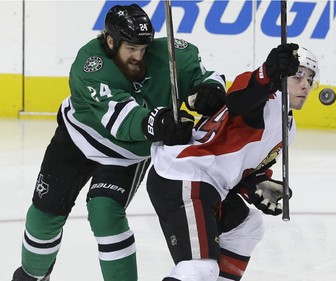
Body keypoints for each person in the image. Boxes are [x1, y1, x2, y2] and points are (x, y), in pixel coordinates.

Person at [12, 4, 226, 281]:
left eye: (143, 48)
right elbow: (120, 119)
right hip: (77, 139)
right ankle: (32, 276)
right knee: (45, 213)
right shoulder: (90, 63)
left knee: (105, 214)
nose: (139, 56)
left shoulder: (174, 54)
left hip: (125, 155)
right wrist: (158, 123)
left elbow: (205, 76)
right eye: (131, 49)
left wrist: (209, 91)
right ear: (110, 41)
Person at [146, 43, 320, 280]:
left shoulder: (288, 126)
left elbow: (242, 159)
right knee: (200, 267)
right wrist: (268, 72)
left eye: (310, 79)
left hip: (208, 183)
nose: (305, 85)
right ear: (281, 76)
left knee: (246, 228)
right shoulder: (264, 97)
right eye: (297, 75)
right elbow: (239, 101)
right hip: (186, 176)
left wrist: (255, 184)